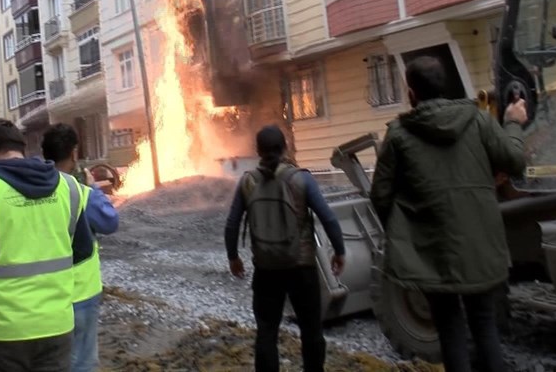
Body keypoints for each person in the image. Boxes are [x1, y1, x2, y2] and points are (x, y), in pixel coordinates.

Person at [370, 56, 528, 372]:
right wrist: (512, 122)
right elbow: (515, 161)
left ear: (411, 93)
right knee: (485, 325)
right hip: (480, 242)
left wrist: (408, 230)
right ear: (446, 86)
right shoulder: (479, 121)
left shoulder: (399, 135)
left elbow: (381, 195)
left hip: (432, 250)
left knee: (449, 328)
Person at [0, 119, 94, 372]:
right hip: (56, 327)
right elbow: (83, 251)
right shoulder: (68, 187)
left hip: (0, 332)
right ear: (21, 148)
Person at [224, 125, 346, 372]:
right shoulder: (301, 179)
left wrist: (233, 257)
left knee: (267, 332)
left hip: (266, 269)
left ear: (257, 151)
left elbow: (232, 223)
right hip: (301, 267)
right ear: (285, 147)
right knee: (311, 330)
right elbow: (328, 217)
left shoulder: (247, 182)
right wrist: (339, 250)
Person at [41, 124, 119, 372]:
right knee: (82, 361)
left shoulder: (30, 194)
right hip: (81, 293)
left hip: (41, 294)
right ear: (74, 153)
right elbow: (110, 222)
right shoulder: (81, 193)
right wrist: (93, 187)